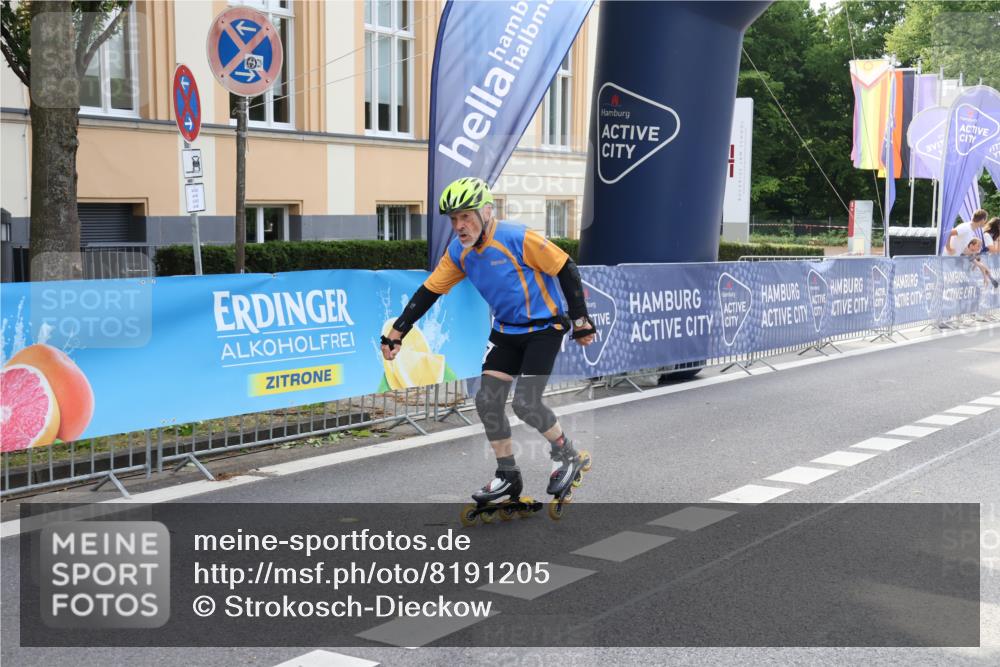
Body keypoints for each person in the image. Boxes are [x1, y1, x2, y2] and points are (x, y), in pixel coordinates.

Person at [380, 177, 596, 521]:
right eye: (453, 219)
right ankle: (508, 476)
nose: (459, 226)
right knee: (487, 400)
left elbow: (566, 268)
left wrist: (581, 319)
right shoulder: (459, 252)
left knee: (526, 403)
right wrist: (397, 331)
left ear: (486, 211)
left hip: (545, 328)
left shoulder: (517, 237)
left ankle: (565, 453)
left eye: (465, 216)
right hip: (506, 331)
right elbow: (429, 292)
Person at [944, 209, 998, 289]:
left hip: (952, 260)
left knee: (950, 287)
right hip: (946, 259)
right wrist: (949, 248)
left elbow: (963, 248)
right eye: (985, 220)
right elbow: (948, 233)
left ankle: (988, 277)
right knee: (946, 286)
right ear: (983, 220)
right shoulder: (966, 227)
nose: (985, 222)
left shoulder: (971, 230)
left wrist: (974, 257)